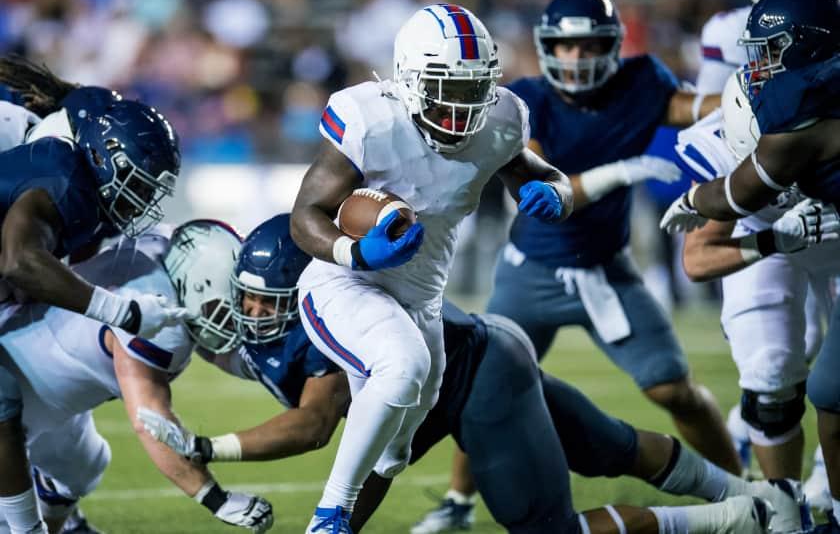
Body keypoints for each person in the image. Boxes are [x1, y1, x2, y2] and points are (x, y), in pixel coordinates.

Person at [140, 213, 806, 534]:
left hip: (474, 381)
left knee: (547, 528)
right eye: (247, 299)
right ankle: (762, 499)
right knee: (610, 448)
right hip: (449, 381)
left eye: (265, 302)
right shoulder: (276, 329)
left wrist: (208, 448)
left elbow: (316, 426)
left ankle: (736, 518)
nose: (254, 314)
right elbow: (370, 453)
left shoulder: (324, 316)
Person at [413, 0, 737, 530]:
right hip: (531, 270)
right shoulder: (524, 100)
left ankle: (748, 487)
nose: (577, 54)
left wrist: (751, 94)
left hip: (607, 269)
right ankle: (457, 501)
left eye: (589, 43)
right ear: (546, 46)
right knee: (482, 384)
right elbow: (544, 189)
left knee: (673, 388)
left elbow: (701, 107)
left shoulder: (641, 82)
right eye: (566, 42)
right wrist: (622, 169)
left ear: (612, 45)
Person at [289, 3, 574, 533]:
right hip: (344, 282)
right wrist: (355, 252)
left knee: (394, 451)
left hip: (422, 299)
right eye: (449, 87)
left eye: (474, 89)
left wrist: (554, 193)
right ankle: (327, 517)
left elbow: (544, 174)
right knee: (402, 367)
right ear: (409, 78)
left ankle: (342, 525)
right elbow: (304, 215)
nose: (462, 107)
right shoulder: (370, 121)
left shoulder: (502, 121)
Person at [658, 0, 840, 531]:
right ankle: (786, 511)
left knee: (834, 389)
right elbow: (697, 257)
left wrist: (696, 200)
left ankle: (830, 492)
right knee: (769, 373)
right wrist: (774, 242)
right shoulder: (740, 119)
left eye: (770, 53)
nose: (757, 69)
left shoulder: (804, 109)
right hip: (769, 240)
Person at [0, 56, 192, 534]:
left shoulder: (82, 130)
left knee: (84, 461)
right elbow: (21, 262)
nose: (136, 204)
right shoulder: (55, 167)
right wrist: (121, 313)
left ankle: (56, 511)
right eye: (134, 186)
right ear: (104, 157)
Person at [0, 220, 273, 534]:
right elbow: (151, 422)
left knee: (84, 465)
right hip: (18, 397)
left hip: (40, 375)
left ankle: (64, 527)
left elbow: (209, 340)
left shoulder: (169, 252)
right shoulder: (158, 313)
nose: (236, 317)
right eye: (226, 306)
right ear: (198, 287)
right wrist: (216, 499)